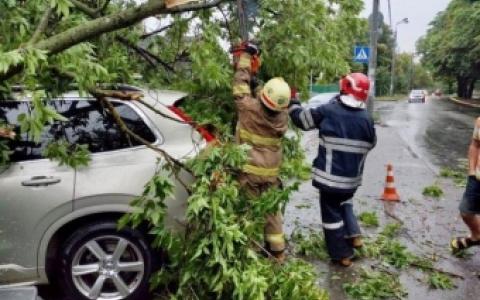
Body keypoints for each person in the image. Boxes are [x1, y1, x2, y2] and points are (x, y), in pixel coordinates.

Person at [288, 73, 376, 266]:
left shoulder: (329, 111)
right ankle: (354, 235)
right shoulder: (367, 119)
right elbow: (371, 143)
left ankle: (342, 254)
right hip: (351, 181)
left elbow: (303, 120)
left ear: (344, 88)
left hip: (329, 181)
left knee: (331, 216)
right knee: (345, 202)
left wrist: (293, 104)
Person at [231, 42, 291, 262]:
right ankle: (278, 253)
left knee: (249, 212)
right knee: (272, 213)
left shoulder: (248, 108)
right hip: (271, 174)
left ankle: (250, 253)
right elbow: (268, 103)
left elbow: (239, 84)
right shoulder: (282, 118)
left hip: (249, 172)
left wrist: (246, 57)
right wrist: (258, 86)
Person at [451, 117, 480, 252]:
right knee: (466, 212)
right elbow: (475, 145)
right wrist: (472, 171)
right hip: (477, 178)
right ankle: (477, 236)